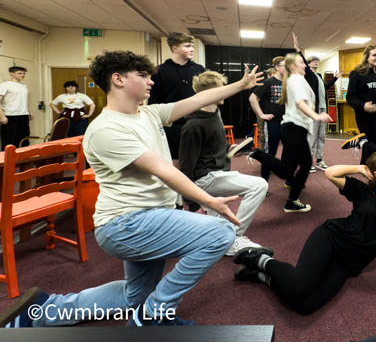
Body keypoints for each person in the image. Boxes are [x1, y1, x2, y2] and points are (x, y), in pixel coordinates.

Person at [0, 50, 263, 328]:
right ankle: (155, 316)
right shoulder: (105, 128)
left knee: (133, 296)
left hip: (150, 217)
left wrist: (240, 85)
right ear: (118, 79)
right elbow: (164, 170)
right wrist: (210, 200)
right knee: (220, 233)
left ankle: (42, 311)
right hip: (127, 224)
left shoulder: (148, 114)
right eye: (143, 76)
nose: (150, 82)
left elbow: (197, 99)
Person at [232, 152, 376, 315]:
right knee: (297, 288)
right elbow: (330, 172)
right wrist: (359, 168)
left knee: (305, 306)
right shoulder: (362, 191)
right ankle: (260, 258)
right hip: (331, 238)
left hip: (349, 263)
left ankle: (259, 276)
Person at [179, 71, 268, 257]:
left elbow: (212, 145)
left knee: (218, 223)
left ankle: (221, 239)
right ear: (212, 93)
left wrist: (230, 147)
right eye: (222, 89)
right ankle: (234, 236)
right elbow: (186, 167)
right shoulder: (193, 126)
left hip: (217, 172)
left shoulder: (215, 113)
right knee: (259, 185)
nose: (226, 92)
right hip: (204, 178)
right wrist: (193, 202)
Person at [248, 53, 332, 213]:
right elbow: (301, 103)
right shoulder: (297, 80)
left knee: (304, 164)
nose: (304, 65)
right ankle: (254, 152)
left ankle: (292, 200)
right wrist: (317, 116)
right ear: (292, 67)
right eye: (301, 63)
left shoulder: (294, 80)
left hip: (293, 127)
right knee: (288, 169)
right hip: (295, 127)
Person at [148, 32, 205, 165]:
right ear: (175, 49)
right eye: (187, 46)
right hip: (172, 126)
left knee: (198, 161)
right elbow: (154, 103)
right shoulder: (159, 71)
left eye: (192, 46)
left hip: (196, 123)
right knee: (174, 162)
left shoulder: (199, 69)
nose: (192, 49)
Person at [292, 33, 342, 172]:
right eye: (313, 61)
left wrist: (336, 78)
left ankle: (319, 160)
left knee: (321, 136)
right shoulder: (308, 74)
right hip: (313, 110)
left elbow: (324, 88)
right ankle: (307, 162)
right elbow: (303, 61)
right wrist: (298, 49)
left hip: (323, 108)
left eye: (317, 61)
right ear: (308, 64)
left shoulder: (319, 76)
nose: (316, 62)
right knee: (312, 137)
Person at [249, 56, 286, 183]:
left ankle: (289, 180)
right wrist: (261, 115)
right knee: (270, 153)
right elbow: (253, 98)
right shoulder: (268, 82)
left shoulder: (288, 83)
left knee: (288, 152)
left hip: (286, 123)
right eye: (284, 65)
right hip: (272, 123)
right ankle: (263, 183)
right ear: (276, 67)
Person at [346, 46, 376, 145]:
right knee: (371, 147)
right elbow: (350, 97)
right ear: (366, 58)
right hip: (366, 118)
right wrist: (363, 105)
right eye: (374, 55)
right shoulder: (357, 74)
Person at [0, 66, 33, 149]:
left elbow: (23, 100)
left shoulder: (24, 86)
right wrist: (2, 116)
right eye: (20, 73)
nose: (22, 75)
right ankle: (7, 161)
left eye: (24, 74)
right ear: (12, 74)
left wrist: (29, 111)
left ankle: (22, 160)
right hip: (10, 116)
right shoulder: (5, 85)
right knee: (9, 141)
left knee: (24, 140)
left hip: (23, 116)